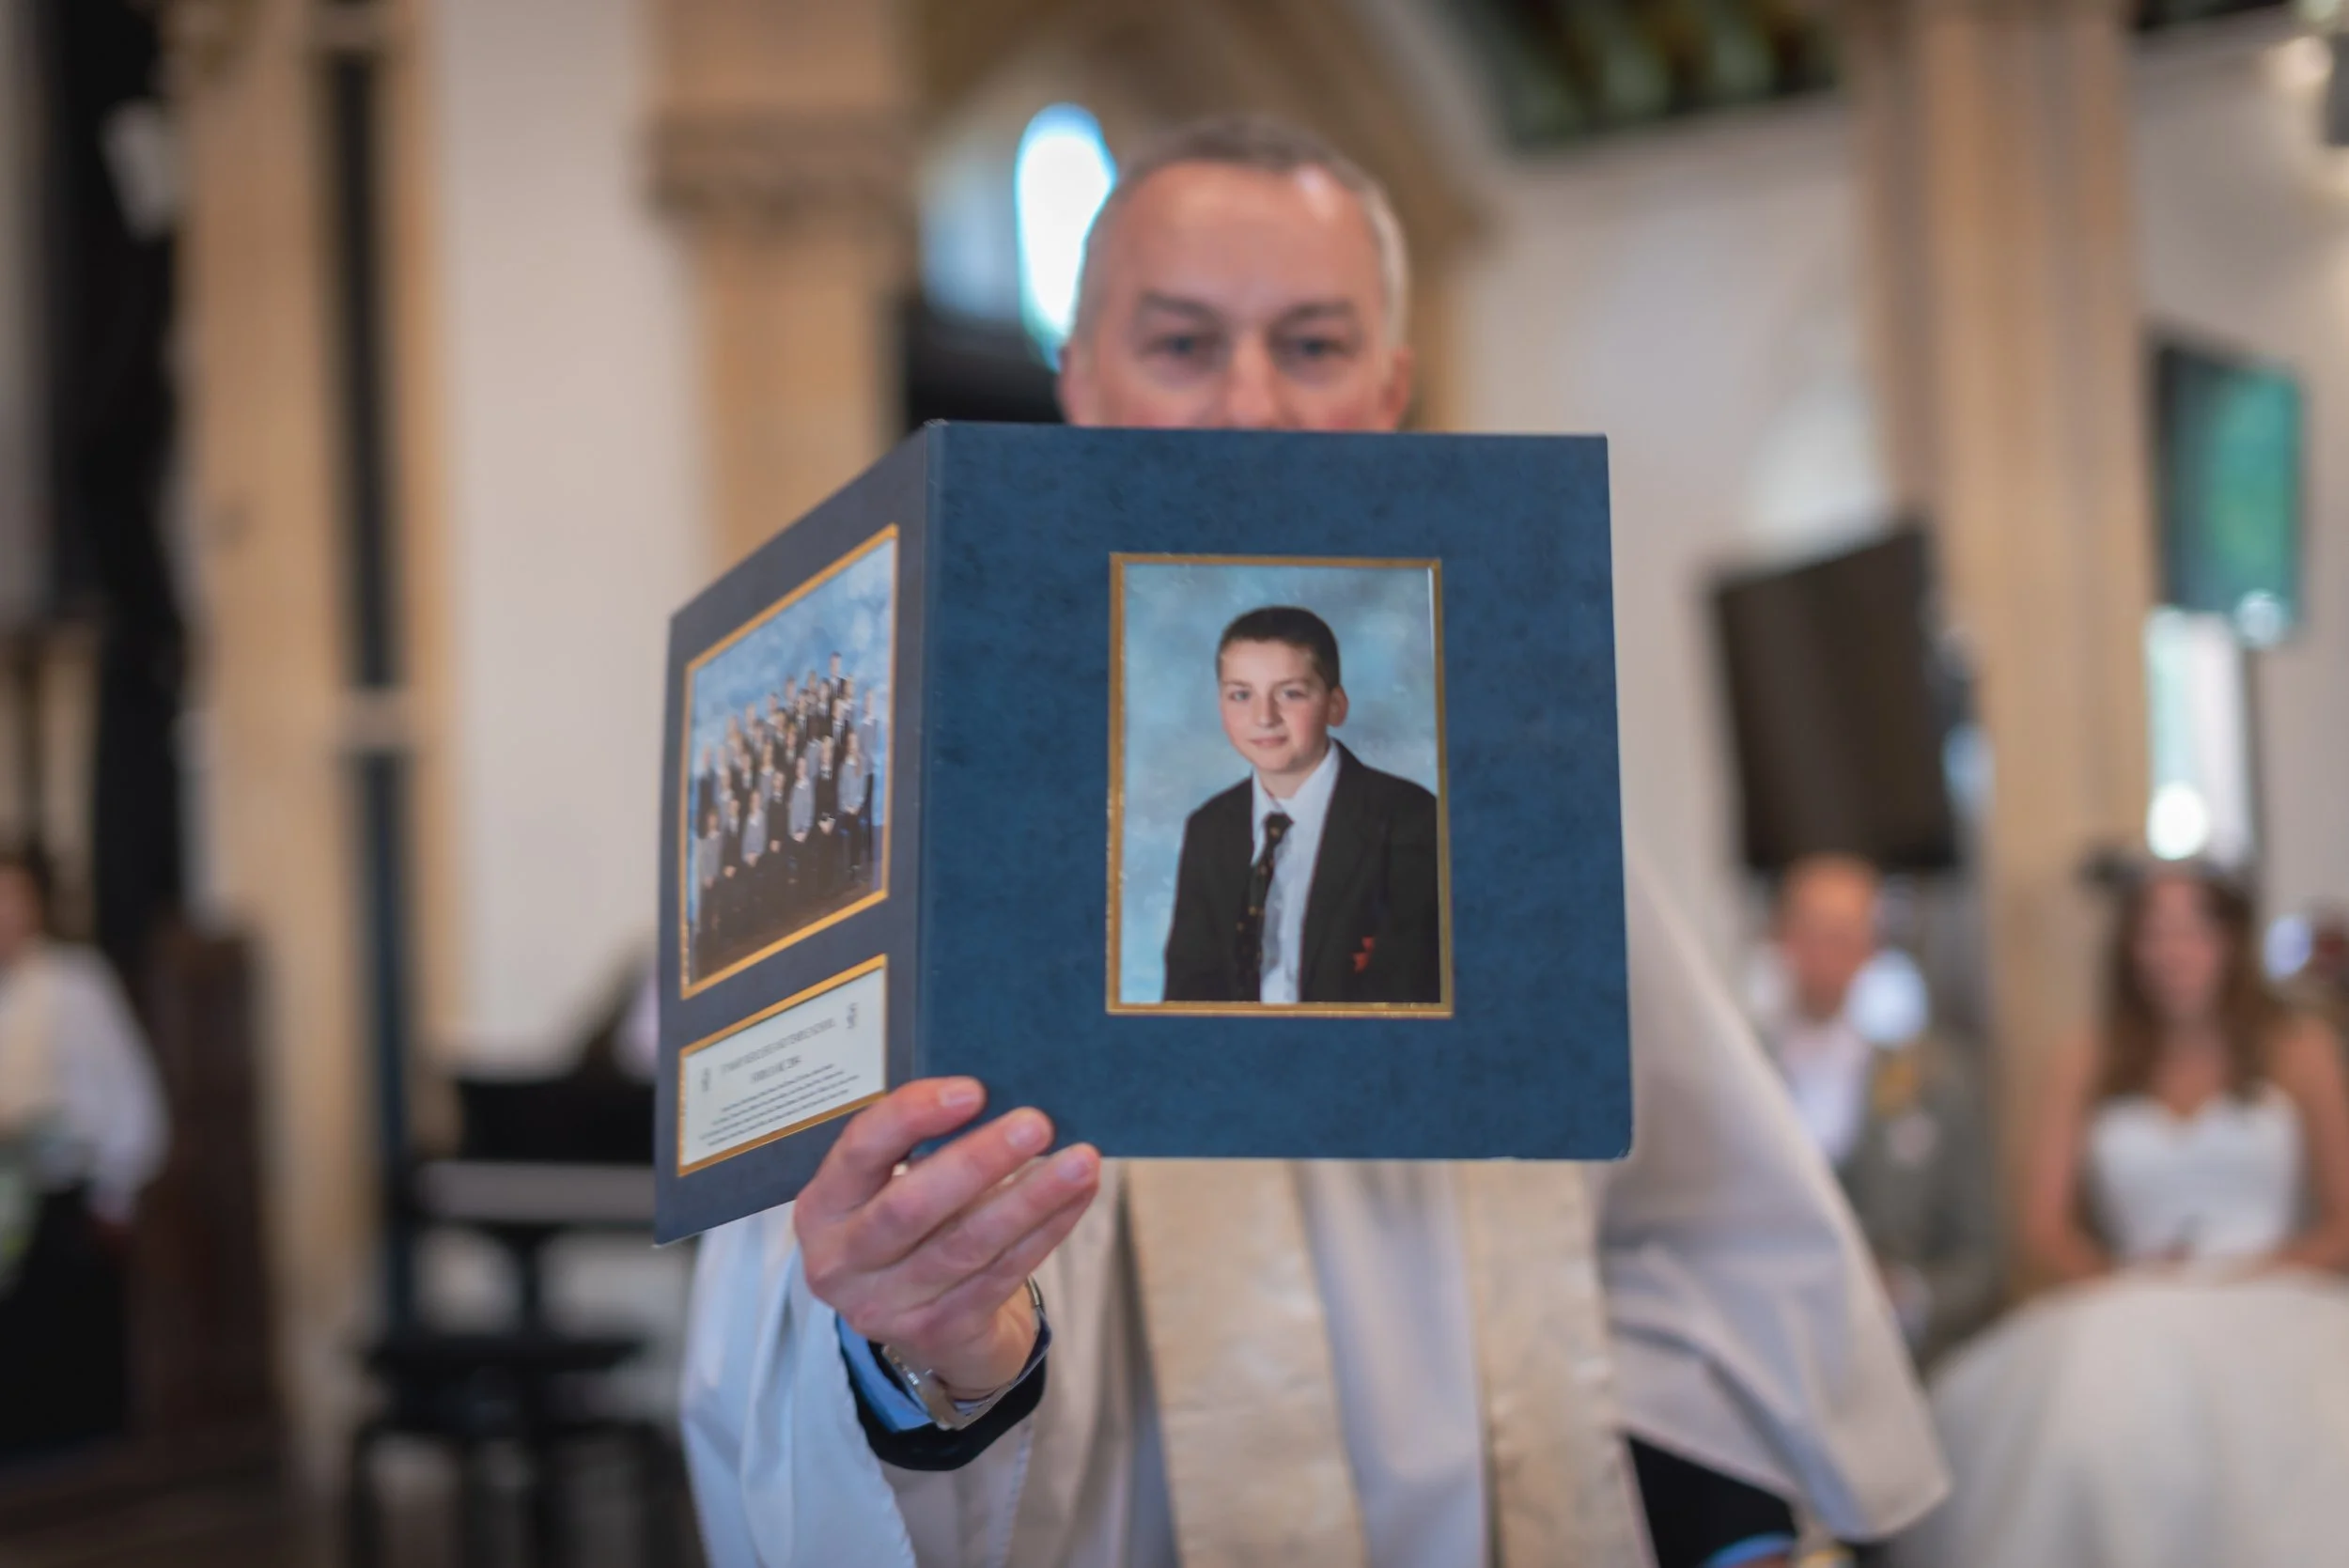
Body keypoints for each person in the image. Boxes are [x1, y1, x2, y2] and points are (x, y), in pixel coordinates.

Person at [680, 115, 1942, 1568]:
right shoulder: (918, 785)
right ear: (1078, 382)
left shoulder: (1514, 788)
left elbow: (1702, 1240)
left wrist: (1729, 1531)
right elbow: (787, 1336)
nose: (1251, 407)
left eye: (1315, 346)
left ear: (1393, 393)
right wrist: (929, 1343)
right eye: (1180, 345)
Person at [1898, 865, 2349, 1567]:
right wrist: (2127, 1277)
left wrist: (2240, 1273)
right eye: (2154, 931)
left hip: (2274, 1294)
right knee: (2091, 1410)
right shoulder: (2089, 1055)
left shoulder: (2298, 1048)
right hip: (2134, 1296)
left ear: (2230, 940)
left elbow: (2342, 1223)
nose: (2173, 950)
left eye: (2194, 928)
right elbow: (2044, 1229)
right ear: (2129, 948)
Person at [1754, 855, 1999, 1365]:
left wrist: (1908, 1296)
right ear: (1779, 938)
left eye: (1846, 935)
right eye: (1812, 932)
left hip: (1896, 1360)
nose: (1827, 954)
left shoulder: (1933, 1082)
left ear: (1872, 948)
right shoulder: (1739, 1073)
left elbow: (1981, 1259)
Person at [1161, 605, 1439, 1005]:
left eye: (1290, 693)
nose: (1264, 717)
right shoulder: (1209, 827)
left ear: (1334, 705)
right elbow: (1189, 989)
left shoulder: (1409, 820)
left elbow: (1412, 988)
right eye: (1241, 695)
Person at [0, 846, 169, 1459]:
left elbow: (125, 1093)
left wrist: (115, 1187)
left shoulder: (72, 985)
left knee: (62, 1344)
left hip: (61, 1189)